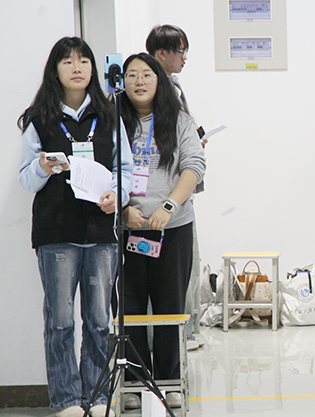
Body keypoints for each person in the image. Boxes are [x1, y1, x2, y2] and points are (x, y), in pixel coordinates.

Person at [18, 37, 133, 417]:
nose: (77, 67)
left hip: (100, 232)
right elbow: (26, 179)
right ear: (55, 70)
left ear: (93, 69)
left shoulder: (110, 115)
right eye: (67, 61)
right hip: (56, 232)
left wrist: (118, 195)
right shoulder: (39, 119)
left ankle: (98, 396)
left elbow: (125, 170)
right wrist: (41, 167)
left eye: (83, 60)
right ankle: (66, 399)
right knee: (61, 321)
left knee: (99, 320)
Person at [119, 53, 206, 408]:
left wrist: (169, 207)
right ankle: (134, 383)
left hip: (173, 227)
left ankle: (170, 380)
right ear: (122, 82)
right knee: (131, 307)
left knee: (170, 306)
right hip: (128, 227)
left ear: (159, 80)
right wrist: (123, 210)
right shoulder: (112, 121)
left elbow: (194, 165)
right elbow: (100, 167)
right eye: (131, 75)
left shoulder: (179, 120)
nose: (139, 82)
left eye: (146, 75)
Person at [146, 24, 206, 352]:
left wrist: (193, 143)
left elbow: (191, 161)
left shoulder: (175, 89)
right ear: (162, 54)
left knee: (181, 279)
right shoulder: (157, 96)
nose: (184, 58)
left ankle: (181, 341)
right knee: (163, 289)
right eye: (181, 51)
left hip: (176, 206)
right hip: (152, 208)